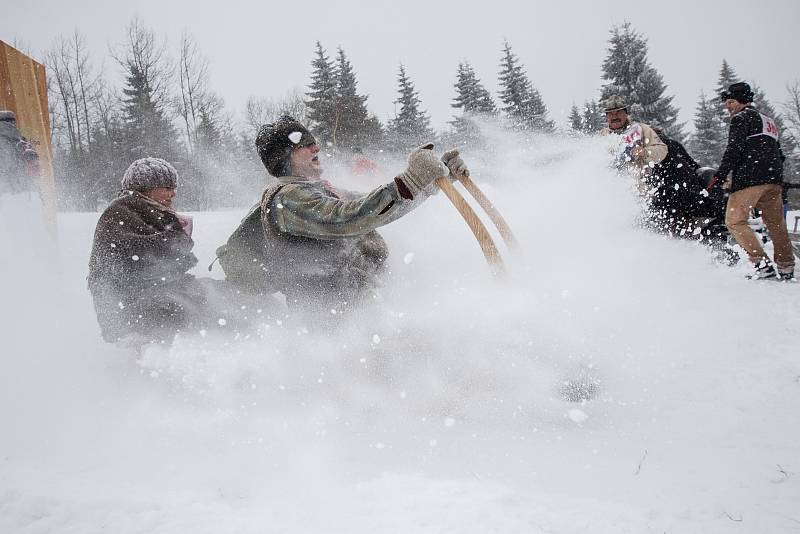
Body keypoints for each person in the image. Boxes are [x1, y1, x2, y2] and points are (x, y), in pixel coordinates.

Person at [216, 115, 468, 319]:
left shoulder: (319, 191)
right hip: (332, 323)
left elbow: (378, 210)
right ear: (284, 157)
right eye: (303, 144)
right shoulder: (288, 198)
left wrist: (432, 181)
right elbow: (348, 218)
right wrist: (411, 180)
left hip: (359, 310)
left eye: (313, 141)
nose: (316, 147)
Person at [88, 157, 238, 344]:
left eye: (174, 188)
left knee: (230, 295)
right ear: (146, 188)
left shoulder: (145, 211)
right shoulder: (120, 213)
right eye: (167, 188)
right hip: (134, 310)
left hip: (152, 297)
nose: (173, 194)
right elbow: (135, 258)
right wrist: (177, 239)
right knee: (211, 309)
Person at [713, 82, 795, 281]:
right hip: (773, 180)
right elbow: (779, 154)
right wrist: (777, 178)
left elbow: (734, 149)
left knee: (734, 221)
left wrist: (720, 176)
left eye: (731, 102)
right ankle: (786, 266)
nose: (728, 107)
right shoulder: (769, 121)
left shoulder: (741, 118)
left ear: (742, 100)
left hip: (750, 180)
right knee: (776, 224)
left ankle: (761, 263)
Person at [0, 110, 40, 196]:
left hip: (5, 193)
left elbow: (4, 165)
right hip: (28, 192)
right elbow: (35, 172)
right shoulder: (23, 142)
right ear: (13, 122)